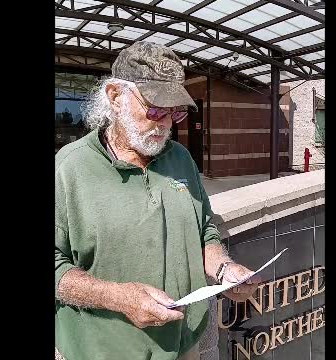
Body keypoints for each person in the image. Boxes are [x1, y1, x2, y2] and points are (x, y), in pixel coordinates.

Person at [55, 41, 259, 360]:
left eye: (175, 112)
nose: (165, 123)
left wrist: (224, 270)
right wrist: (117, 297)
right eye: (154, 108)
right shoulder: (69, 167)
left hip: (186, 343)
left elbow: (204, 230)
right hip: (104, 350)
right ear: (115, 96)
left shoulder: (180, 158)